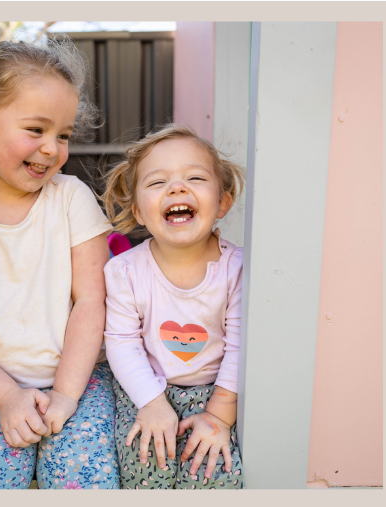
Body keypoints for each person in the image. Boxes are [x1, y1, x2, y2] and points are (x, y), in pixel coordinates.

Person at [0, 39, 119, 489]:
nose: (51, 149)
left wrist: (65, 394)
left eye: (63, 135)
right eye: (36, 130)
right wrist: (6, 398)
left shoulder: (71, 198)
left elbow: (91, 300)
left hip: (81, 381)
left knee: (83, 477)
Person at [101, 124, 245, 489]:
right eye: (157, 182)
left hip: (218, 391)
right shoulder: (124, 271)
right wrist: (150, 401)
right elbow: (121, 341)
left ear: (223, 201)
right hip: (144, 389)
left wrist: (220, 415)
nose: (177, 188)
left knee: (215, 470)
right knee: (145, 464)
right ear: (137, 210)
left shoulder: (238, 269)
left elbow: (241, 345)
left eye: (195, 177)